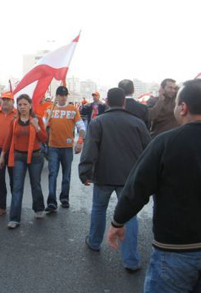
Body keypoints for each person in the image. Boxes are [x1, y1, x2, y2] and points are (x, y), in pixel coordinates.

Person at [108, 79, 201, 291]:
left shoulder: (165, 142)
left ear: (183, 108)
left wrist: (117, 221)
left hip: (176, 249)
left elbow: (137, 188)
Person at [79, 88, 151, 273]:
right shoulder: (137, 123)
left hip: (103, 175)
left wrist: (85, 171)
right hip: (129, 176)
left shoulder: (98, 122)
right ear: (124, 102)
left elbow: (90, 149)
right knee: (129, 215)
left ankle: (94, 242)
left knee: (98, 208)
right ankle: (131, 260)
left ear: (108, 102)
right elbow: (148, 150)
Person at [0, 94, 48, 229]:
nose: (22, 107)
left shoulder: (37, 119)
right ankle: (14, 218)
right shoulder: (14, 121)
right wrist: (2, 155)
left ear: (30, 105)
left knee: (35, 185)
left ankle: (39, 208)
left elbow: (44, 138)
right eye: (20, 104)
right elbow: (8, 139)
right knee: (17, 187)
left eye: (25, 104)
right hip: (19, 157)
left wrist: (37, 127)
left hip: (36, 157)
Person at [45, 86, 85, 211]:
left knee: (66, 175)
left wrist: (79, 142)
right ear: (56, 96)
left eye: (65, 95)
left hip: (67, 148)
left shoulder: (73, 109)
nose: (63, 97)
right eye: (61, 95)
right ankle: (51, 201)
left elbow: (81, 127)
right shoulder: (50, 109)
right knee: (53, 174)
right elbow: (42, 126)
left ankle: (64, 198)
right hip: (53, 147)